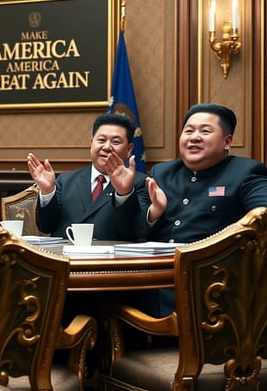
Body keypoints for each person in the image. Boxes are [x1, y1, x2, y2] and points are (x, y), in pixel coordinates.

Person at [134, 103, 267, 316]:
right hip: (153, 282)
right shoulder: (162, 172)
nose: (194, 137)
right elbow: (136, 229)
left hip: (212, 286)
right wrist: (155, 212)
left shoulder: (246, 172)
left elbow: (262, 221)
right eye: (188, 130)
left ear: (227, 141)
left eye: (205, 131)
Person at [27, 113, 148, 240]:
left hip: (108, 258)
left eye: (116, 142)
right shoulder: (66, 180)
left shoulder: (140, 182)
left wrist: (124, 193)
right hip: (65, 258)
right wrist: (47, 192)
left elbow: (135, 231)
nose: (106, 147)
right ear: (91, 143)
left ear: (129, 149)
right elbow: (46, 227)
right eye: (101, 140)